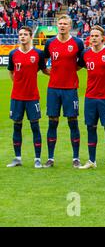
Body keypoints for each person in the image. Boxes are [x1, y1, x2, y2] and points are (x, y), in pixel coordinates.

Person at [43, 15, 84, 168]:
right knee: (52, 122)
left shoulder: (77, 43)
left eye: (65, 24)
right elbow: (43, 61)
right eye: (60, 23)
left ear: (70, 26)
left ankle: (76, 158)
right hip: (53, 89)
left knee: (73, 123)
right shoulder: (50, 42)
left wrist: (72, 71)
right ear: (56, 25)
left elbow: (82, 62)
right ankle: (50, 158)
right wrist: (51, 73)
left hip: (70, 89)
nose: (62, 26)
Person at [77, 25, 105, 170]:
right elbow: (79, 66)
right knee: (91, 128)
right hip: (90, 97)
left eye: (96, 36)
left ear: (103, 38)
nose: (94, 38)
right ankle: (91, 160)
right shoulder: (85, 54)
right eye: (92, 36)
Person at [7, 26, 48, 168]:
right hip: (17, 97)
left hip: (32, 97)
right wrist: (19, 85)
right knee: (16, 126)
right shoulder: (13, 54)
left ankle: (37, 159)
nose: (22, 36)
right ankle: (17, 158)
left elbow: (44, 70)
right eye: (20, 34)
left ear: (31, 37)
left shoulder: (38, 54)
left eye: (25, 34)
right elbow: (11, 72)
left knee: (35, 127)